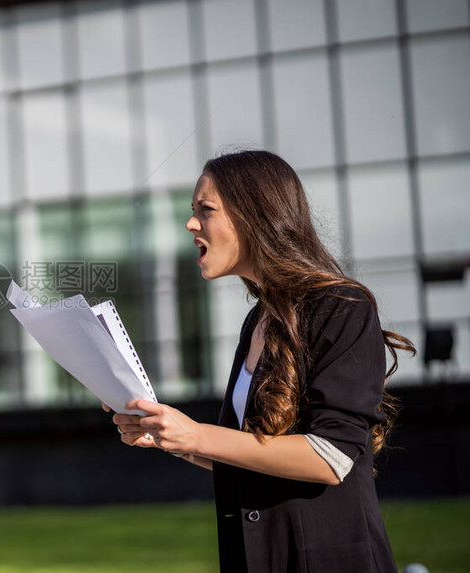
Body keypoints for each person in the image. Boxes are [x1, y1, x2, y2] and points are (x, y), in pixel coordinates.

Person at [112, 150, 414, 572]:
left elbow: (332, 457)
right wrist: (169, 438)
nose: (191, 223)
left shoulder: (343, 306)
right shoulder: (258, 321)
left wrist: (197, 435)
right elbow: (246, 451)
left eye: (206, 210)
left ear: (254, 215)